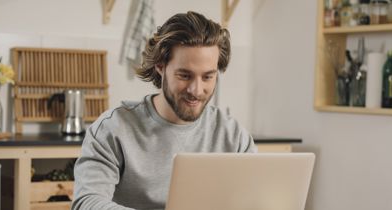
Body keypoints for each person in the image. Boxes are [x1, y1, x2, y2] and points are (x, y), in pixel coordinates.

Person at [72, 11, 257, 210]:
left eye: (207, 77)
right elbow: (86, 202)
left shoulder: (232, 135)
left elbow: (258, 198)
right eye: (185, 75)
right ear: (161, 67)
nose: (196, 90)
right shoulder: (113, 128)